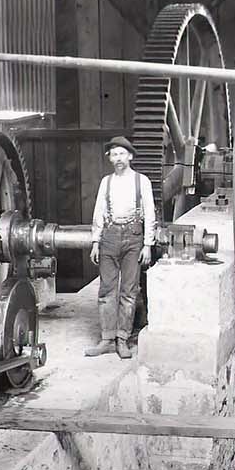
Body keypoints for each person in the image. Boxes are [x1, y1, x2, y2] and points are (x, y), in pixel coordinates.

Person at [88, 136, 155, 358]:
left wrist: (147, 244)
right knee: (107, 290)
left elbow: (150, 214)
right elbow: (98, 213)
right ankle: (106, 338)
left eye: (122, 154)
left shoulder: (141, 181)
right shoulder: (106, 182)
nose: (118, 158)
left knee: (129, 291)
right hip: (109, 237)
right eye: (114, 154)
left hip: (133, 238)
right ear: (110, 158)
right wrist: (96, 242)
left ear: (130, 156)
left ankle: (122, 339)